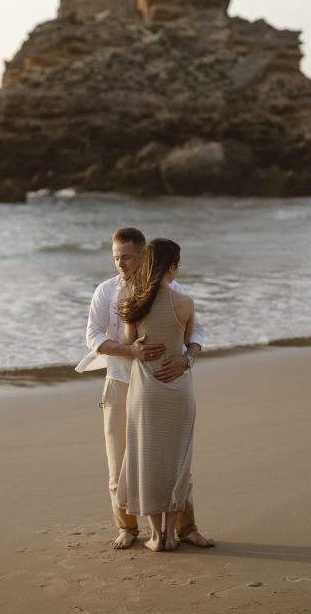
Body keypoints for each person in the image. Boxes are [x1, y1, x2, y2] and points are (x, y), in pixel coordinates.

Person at [76, 227, 214, 550]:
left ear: (143, 256)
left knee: (173, 461)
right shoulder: (107, 291)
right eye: (116, 258)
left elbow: (196, 334)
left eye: (126, 257)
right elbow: (93, 336)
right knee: (119, 463)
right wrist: (130, 351)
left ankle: (187, 528)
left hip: (161, 385)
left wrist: (186, 360)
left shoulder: (173, 289)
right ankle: (127, 528)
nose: (120, 264)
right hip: (120, 382)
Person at [116, 238, 196, 552]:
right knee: (177, 461)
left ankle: (154, 536)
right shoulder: (185, 302)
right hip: (178, 389)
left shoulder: (133, 302)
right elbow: (188, 343)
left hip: (146, 390)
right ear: (172, 266)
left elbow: (129, 345)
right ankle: (172, 535)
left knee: (145, 459)